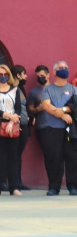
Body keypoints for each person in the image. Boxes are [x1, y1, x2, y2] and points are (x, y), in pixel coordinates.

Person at [37, 61, 77, 195]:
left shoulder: (73, 89)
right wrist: (62, 115)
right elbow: (46, 106)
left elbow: (75, 106)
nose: (64, 69)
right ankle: (54, 186)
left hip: (70, 129)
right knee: (53, 158)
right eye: (61, 68)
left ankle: (73, 186)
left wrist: (62, 111)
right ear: (54, 72)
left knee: (72, 158)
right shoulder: (48, 89)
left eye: (66, 68)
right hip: (52, 129)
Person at [0, 64, 24, 197]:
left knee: (13, 156)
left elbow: (18, 108)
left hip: (13, 125)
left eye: (5, 74)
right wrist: (9, 117)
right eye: (0, 74)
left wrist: (12, 122)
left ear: (9, 75)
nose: (3, 77)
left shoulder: (15, 90)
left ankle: (14, 187)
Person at [12, 65, 31, 190]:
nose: (26, 76)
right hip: (16, 125)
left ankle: (18, 181)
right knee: (13, 154)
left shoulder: (21, 88)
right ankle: (12, 182)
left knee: (18, 154)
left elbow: (25, 106)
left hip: (25, 124)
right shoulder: (11, 89)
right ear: (18, 75)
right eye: (24, 74)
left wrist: (30, 117)